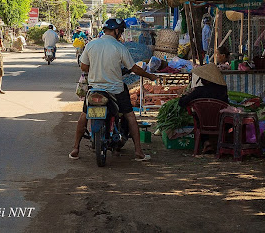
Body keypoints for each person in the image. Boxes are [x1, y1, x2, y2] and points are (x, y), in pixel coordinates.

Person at [69, 18, 158, 161]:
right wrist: (150, 76)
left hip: (94, 89)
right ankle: (138, 152)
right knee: (129, 116)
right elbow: (133, 68)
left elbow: (84, 67)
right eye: (120, 31)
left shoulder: (91, 44)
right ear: (116, 31)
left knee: (84, 115)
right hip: (116, 89)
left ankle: (75, 148)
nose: (121, 34)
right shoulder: (120, 47)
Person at [178, 63, 229, 153]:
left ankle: (206, 142)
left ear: (207, 80)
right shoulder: (223, 91)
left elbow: (181, 103)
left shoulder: (199, 91)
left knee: (199, 117)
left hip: (202, 123)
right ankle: (214, 143)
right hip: (220, 122)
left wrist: (186, 94)